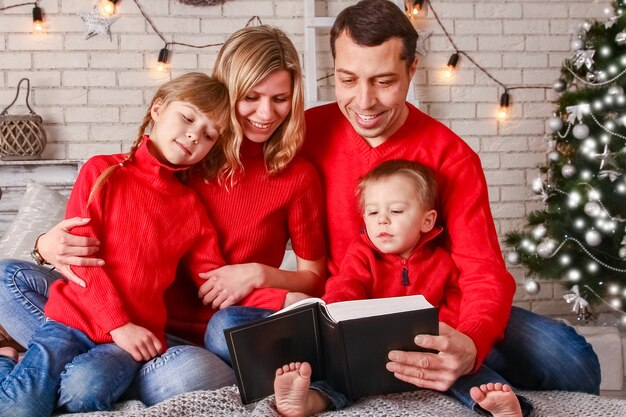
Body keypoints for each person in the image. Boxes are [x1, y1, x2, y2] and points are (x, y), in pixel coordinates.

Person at [0, 25, 325, 410]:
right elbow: (108, 228)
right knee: (6, 277)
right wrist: (45, 247)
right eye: (251, 97)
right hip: (111, 312)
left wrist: (262, 277)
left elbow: (303, 277)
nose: (265, 113)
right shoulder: (173, 162)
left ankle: (93, 369)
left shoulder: (288, 177)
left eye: (281, 99)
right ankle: (82, 361)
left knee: (180, 372)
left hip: (186, 338)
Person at [300, 0, 599, 416]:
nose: (364, 101)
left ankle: (460, 373)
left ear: (412, 69)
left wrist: (471, 342)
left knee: (572, 359)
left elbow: (483, 270)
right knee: (228, 328)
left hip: (441, 309)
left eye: (383, 81)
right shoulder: (306, 132)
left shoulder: (451, 155)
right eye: (348, 79)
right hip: (350, 304)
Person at [0, 72, 230, 416]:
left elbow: (215, 281)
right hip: (71, 320)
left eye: (209, 134)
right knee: (21, 405)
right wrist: (118, 324)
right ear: (158, 108)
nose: (194, 134)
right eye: (187, 117)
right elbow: (78, 257)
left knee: (82, 389)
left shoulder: (191, 208)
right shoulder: (102, 171)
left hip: (131, 341)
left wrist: (276, 290)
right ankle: (5, 362)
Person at [273, 159, 523, 417]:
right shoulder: (361, 255)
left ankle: (496, 404)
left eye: (396, 211)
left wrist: (442, 339)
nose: (382, 220)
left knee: (468, 370)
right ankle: (308, 402)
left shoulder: (441, 262)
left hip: (425, 353)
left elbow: (455, 305)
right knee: (340, 376)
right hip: (370, 352)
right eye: (372, 213)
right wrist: (335, 313)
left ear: (427, 221)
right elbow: (346, 286)